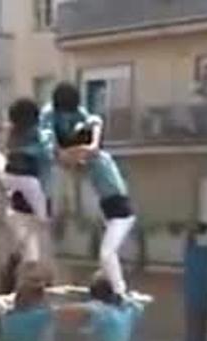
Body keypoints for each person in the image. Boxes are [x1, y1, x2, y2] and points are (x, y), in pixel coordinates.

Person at [41, 82, 137, 296]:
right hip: (112, 211)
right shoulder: (49, 118)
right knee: (107, 255)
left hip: (121, 212)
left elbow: (90, 142)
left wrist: (79, 149)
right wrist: (61, 154)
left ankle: (119, 291)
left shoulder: (98, 159)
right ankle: (114, 288)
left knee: (106, 254)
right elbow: (64, 156)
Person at [0, 98, 55, 268]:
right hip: (26, 184)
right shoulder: (36, 134)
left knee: (27, 235)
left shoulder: (14, 133)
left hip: (13, 181)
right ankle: (28, 261)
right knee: (34, 228)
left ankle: (25, 259)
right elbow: (45, 152)